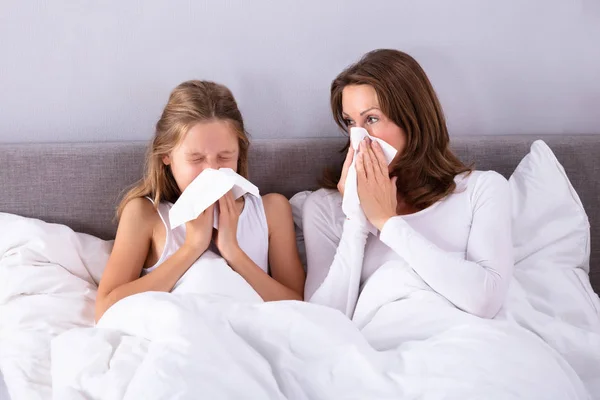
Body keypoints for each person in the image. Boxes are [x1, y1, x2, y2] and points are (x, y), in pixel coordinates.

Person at [303, 49, 512, 319]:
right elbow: (320, 323)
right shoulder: (325, 207)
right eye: (350, 122)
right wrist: (356, 219)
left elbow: (486, 301)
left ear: (413, 121)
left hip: (460, 340)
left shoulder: (482, 190)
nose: (360, 138)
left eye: (372, 119)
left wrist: (386, 222)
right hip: (380, 349)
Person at [95, 80, 305, 322]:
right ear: (166, 155)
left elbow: (297, 306)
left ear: (240, 154)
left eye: (225, 157)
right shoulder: (146, 215)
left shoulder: (271, 210)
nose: (212, 171)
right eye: (196, 159)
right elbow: (106, 309)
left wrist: (233, 251)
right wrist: (192, 247)